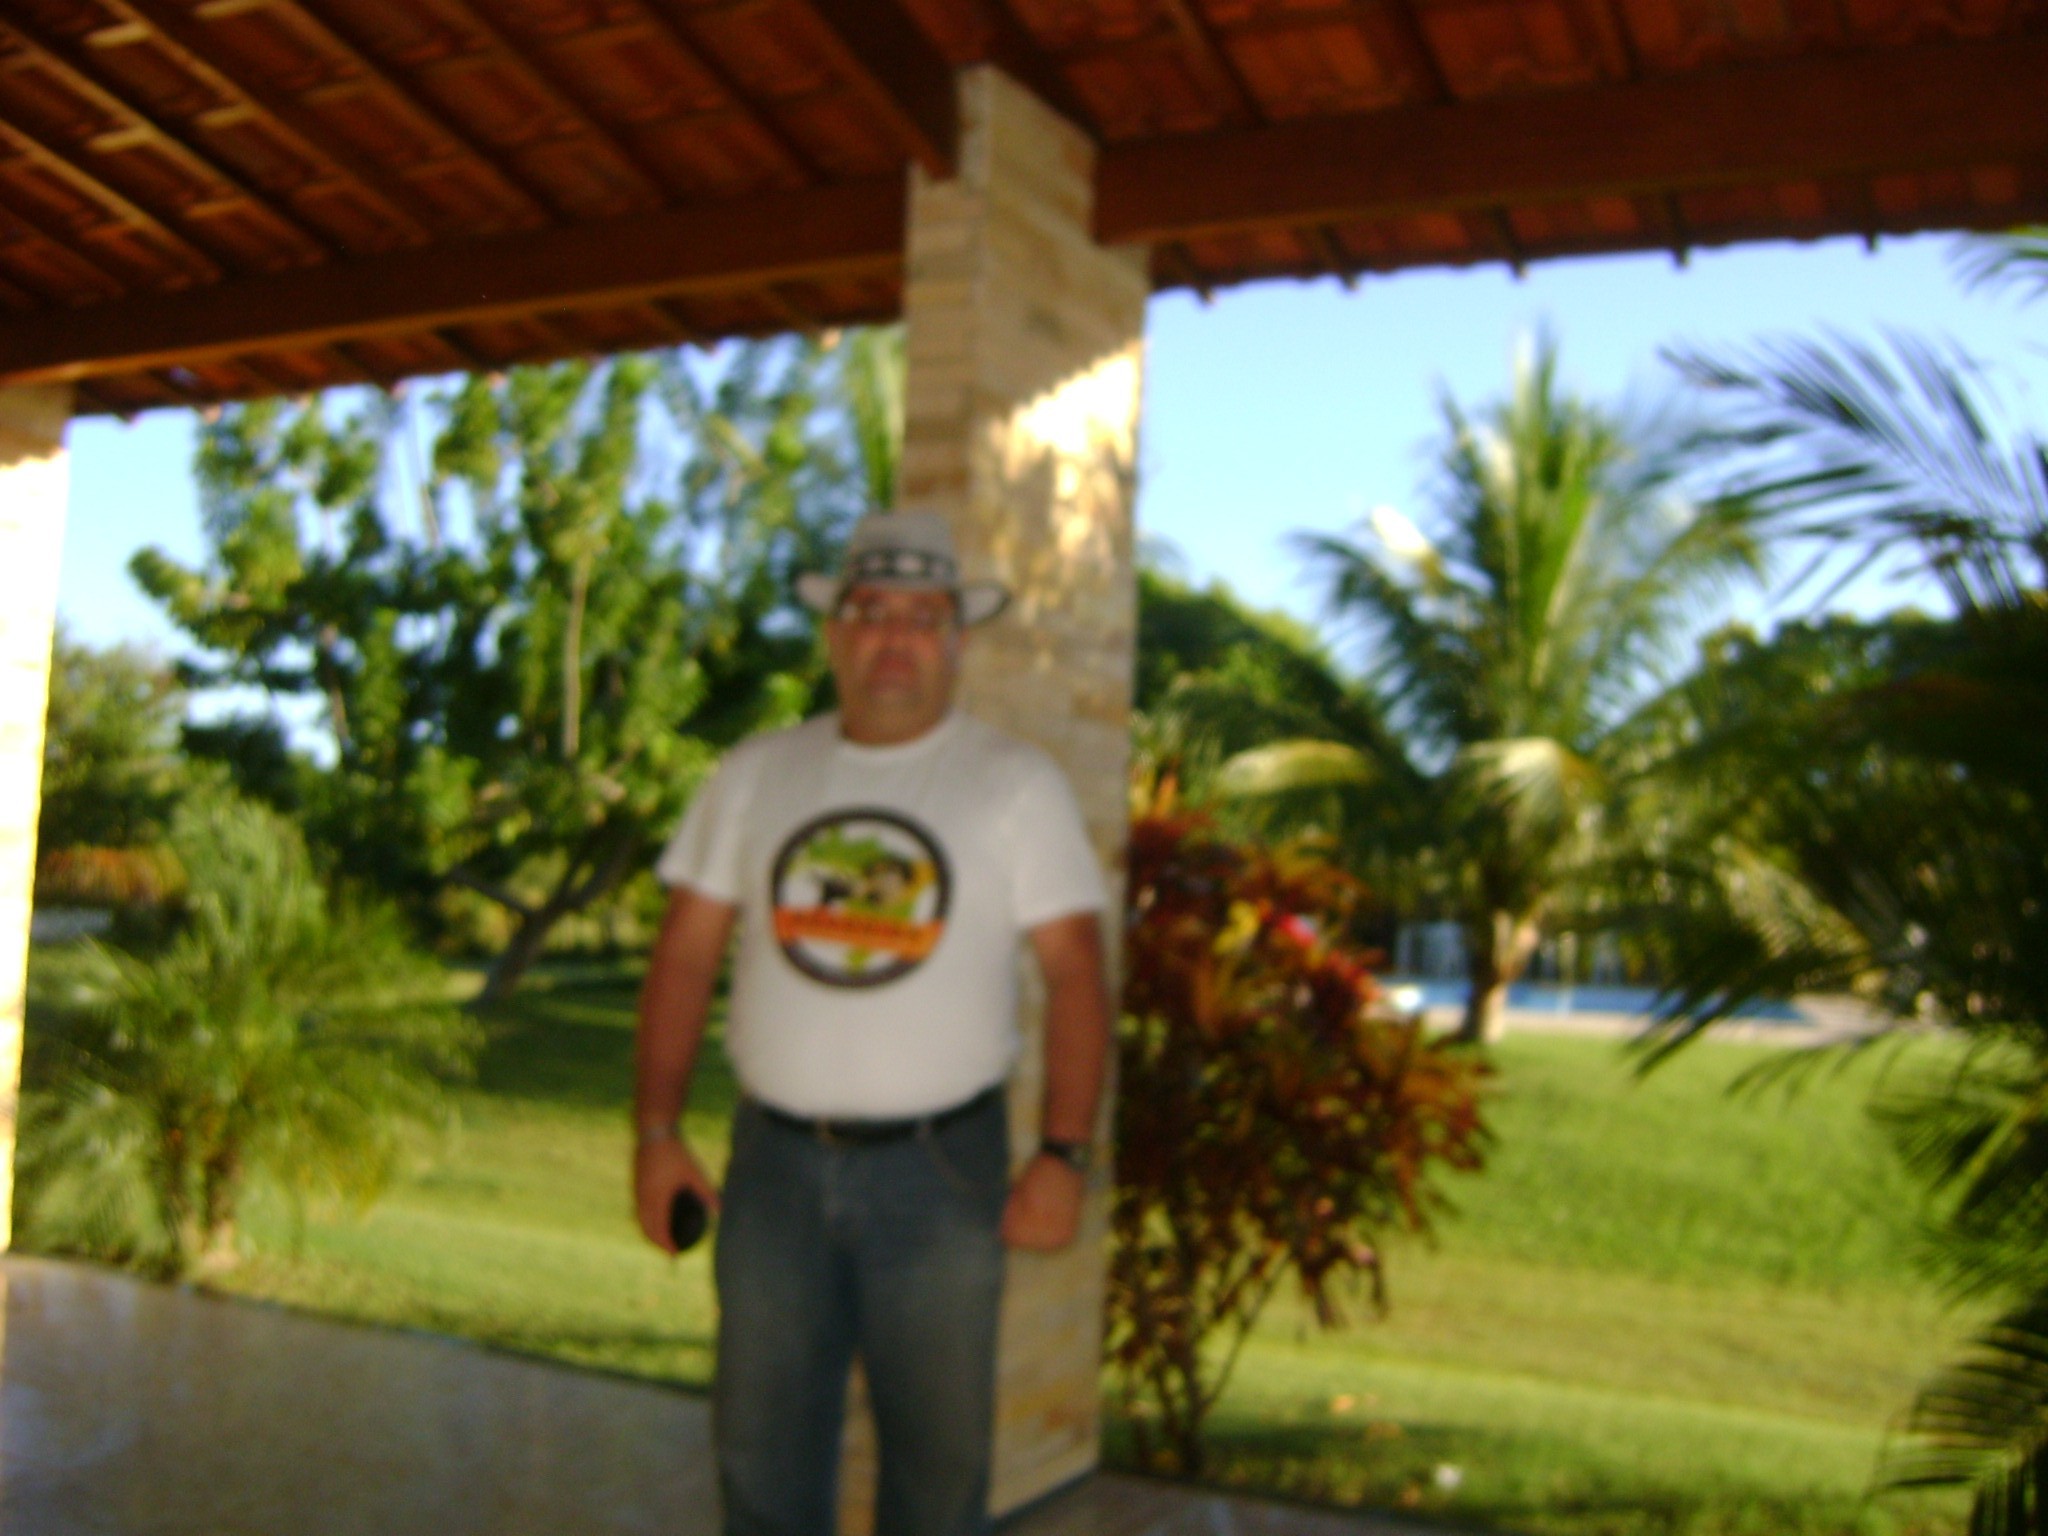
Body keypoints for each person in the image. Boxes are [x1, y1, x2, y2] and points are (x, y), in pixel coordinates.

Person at [632, 509, 1113, 1536]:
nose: (894, 638)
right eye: (870, 612)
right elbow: (684, 955)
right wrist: (656, 1134)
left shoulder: (1014, 783)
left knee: (937, 1481)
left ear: (956, 640)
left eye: (922, 617)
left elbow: (1076, 971)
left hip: (941, 1178)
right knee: (758, 1461)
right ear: (834, 633)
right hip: (771, 1169)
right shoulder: (755, 772)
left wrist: (1063, 1154)